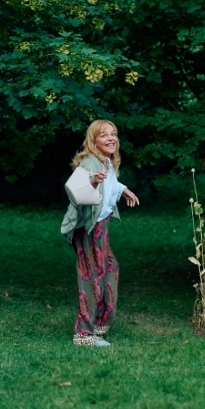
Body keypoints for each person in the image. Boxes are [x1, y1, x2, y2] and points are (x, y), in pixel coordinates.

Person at [61, 120, 140, 347]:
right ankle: (84, 335)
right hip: (87, 229)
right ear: (93, 141)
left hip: (101, 226)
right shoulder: (90, 162)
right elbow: (77, 191)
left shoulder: (106, 161)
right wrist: (93, 182)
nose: (110, 138)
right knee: (92, 276)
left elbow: (110, 183)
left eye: (113, 134)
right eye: (104, 135)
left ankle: (98, 327)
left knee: (109, 269)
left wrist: (123, 189)